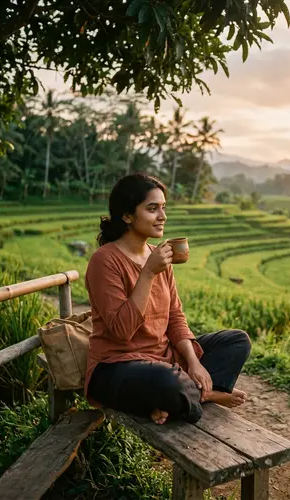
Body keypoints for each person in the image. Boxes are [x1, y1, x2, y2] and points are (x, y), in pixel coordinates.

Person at [84, 173, 251, 425]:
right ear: (127, 215)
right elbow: (121, 331)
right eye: (152, 209)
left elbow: (175, 317)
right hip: (117, 366)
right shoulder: (105, 261)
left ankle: (177, 398)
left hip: (164, 358)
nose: (162, 216)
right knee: (165, 380)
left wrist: (194, 363)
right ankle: (207, 395)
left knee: (237, 342)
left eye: (163, 208)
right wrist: (148, 273)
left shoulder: (159, 255)